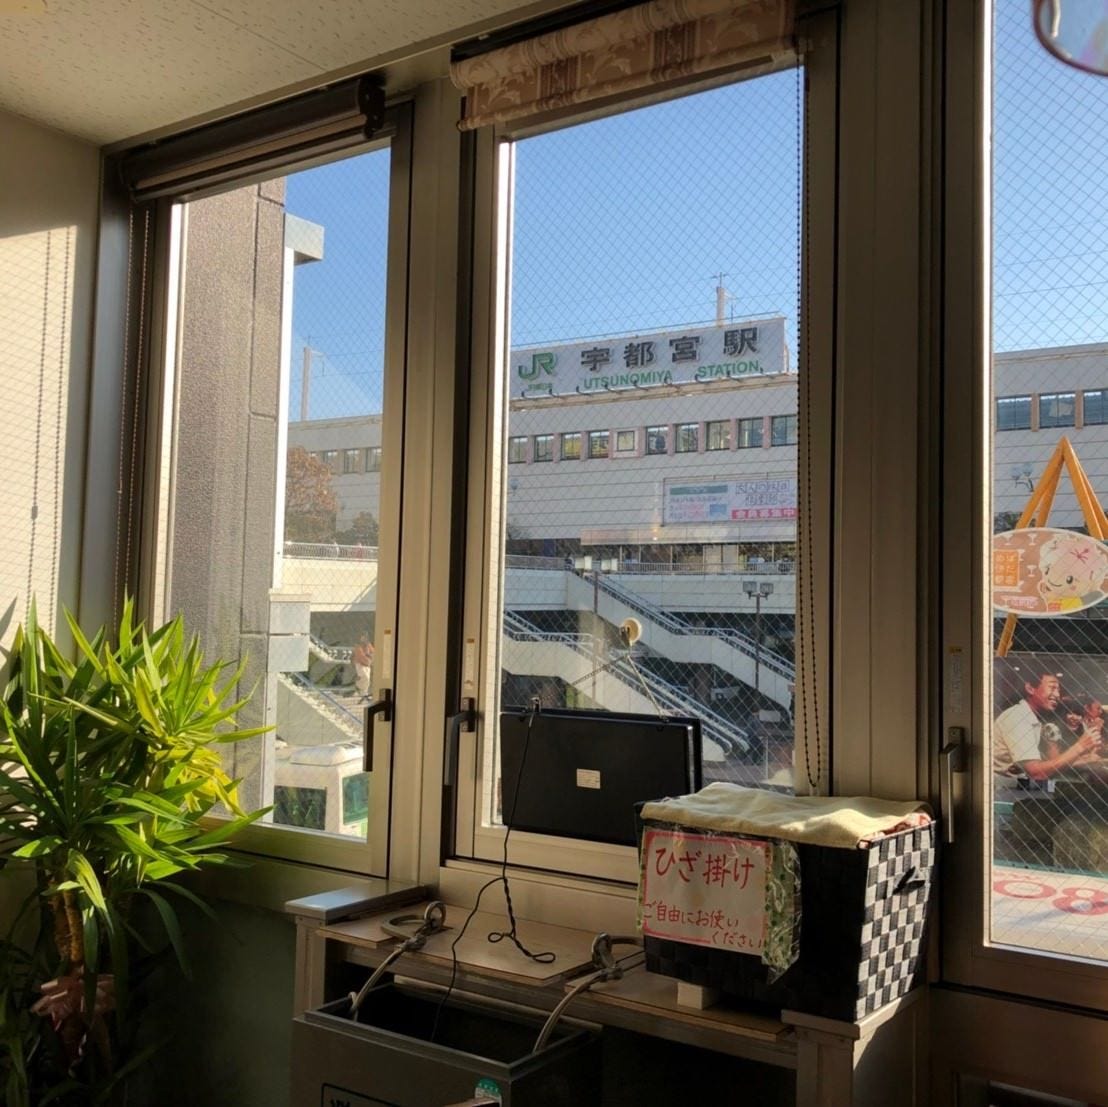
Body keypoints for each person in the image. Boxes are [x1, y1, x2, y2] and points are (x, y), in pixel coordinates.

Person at [993, 670, 1102, 797]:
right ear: (1030, 688)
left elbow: (1052, 762)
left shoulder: (1035, 718)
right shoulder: (1017, 717)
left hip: (1022, 784)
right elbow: (1036, 773)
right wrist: (1080, 746)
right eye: (1052, 687)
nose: (1057, 695)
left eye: (1058, 690)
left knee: (1086, 784)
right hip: (1005, 789)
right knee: (1084, 791)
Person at [352, 636, 374, 700]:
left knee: (367, 679)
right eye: (362, 638)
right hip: (360, 664)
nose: (363, 640)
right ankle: (358, 689)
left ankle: (364, 692)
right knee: (364, 677)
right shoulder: (358, 647)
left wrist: (369, 656)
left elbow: (373, 652)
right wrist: (367, 656)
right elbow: (360, 656)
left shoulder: (368, 645)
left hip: (367, 664)